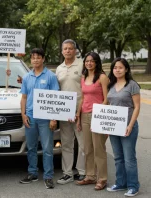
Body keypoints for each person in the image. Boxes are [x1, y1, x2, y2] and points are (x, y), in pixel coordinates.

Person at [19, 48, 60, 189]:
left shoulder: (50, 76)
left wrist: (54, 118)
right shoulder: (26, 77)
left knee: (47, 148)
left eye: (38, 57)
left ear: (43, 59)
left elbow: (55, 98)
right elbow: (23, 97)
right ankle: (32, 173)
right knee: (31, 147)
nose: (35, 60)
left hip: (46, 117)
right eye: (33, 58)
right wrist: (23, 114)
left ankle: (48, 176)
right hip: (30, 117)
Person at [106, 58, 141, 197]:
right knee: (118, 157)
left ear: (126, 69)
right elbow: (109, 106)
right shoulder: (111, 85)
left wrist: (130, 125)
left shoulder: (132, 85)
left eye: (120, 67)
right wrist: (103, 123)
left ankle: (133, 186)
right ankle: (120, 183)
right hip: (114, 127)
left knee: (129, 158)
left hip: (128, 126)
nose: (117, 70)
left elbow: (137, 107)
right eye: (115, 68)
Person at [75, 52, 109, 190]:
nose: (89, 63)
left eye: (92, 61)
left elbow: (107, 99)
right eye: (87, 61)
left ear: (96, 62)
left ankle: (102, 178)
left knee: (98, 149)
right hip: (85, 115)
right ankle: (90, 176)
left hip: (98, 116)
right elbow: (82, 98)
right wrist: (78, 115)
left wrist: (99, 114)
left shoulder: (102, 77)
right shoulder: (83, 77)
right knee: (87, 148)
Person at [55, 39, 86, 184]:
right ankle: (67, 173)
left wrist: (79, 111)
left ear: (75, 50)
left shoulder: (82, 65)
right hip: (64, 112)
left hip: (81, 110)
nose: (67, 51)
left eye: (70, 48)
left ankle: (82, 171)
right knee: (66, 143)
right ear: (62, 51)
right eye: (65, 49)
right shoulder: (59, 68)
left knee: (83, 142)